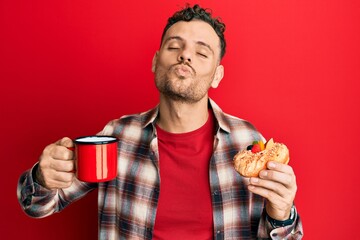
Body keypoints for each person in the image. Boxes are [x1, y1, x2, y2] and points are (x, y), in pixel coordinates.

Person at [17, 4, 303, 239]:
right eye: (174, 46)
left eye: (202, 53)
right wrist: (43, 177)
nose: (185, 55)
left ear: (217, 75)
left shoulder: (247, 142)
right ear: (155, 62)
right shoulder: (117, 136)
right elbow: (37, 206)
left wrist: (282, 213)